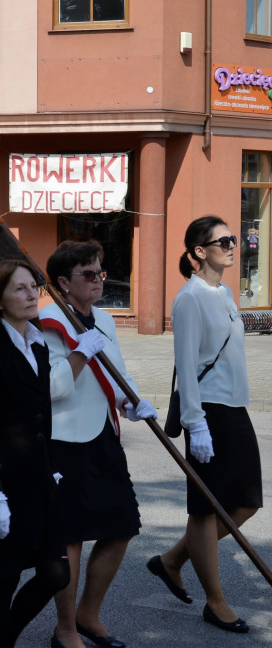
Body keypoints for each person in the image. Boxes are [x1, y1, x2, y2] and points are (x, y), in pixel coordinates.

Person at [41, 240, 157, 648]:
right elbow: (50, 388)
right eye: (88, 274)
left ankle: (90, 614)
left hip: (103, 435)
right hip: (64, 440)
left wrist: (132, 402)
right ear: (62, 282)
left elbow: (117, 374)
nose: (97, 281)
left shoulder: (105, 320)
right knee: (70, 537)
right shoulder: (47, 322)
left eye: (100, 273)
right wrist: (79, 353)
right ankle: (66, 627)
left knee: (121, 525)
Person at [148, 216, 260, 634]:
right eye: (224, 240)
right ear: (199, 251)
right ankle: (215, 602)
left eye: (233, 239)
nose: (233, 245)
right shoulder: (190, 298)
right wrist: (196, 426)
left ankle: (173, 560)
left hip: (235, 408)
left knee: (246, 501)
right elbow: (187, 368)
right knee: (205, 507)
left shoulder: (225, 292)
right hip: (209, 412)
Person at [0, 259, 69, 648]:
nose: (30, 295)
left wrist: (51, 468)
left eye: (32, 287)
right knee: (3, 583)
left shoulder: (37, 346)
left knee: (56, 575)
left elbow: (42, 415)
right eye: (19, 289)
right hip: (3, 487)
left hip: (38, 481)